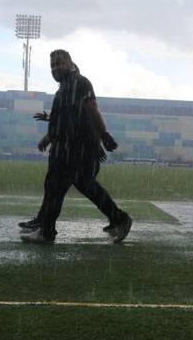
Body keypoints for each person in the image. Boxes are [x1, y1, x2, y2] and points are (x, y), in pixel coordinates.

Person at [19, 50, 132, 244]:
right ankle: (46, 227)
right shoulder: (64, 88)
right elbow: (64, 118)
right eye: (53, 65)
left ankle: (46, 230)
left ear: (71, 63)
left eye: (60, 63)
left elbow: (91, 109)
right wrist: (48, 137)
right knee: (65, 187)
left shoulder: (80, 83)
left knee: (61, 187)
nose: (56, 68)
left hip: (75, 148)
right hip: (65, 147)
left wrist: (104, 135)